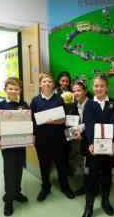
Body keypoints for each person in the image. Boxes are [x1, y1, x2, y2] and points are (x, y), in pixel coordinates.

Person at [30, 72, 75, 202]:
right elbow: (32, 120)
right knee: (44, 164)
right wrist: (33, 135)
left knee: (61, 163)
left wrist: (54, 121)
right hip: (41, 138)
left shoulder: (59, 99)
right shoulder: (35, 100)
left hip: (57, 137)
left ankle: (65, 187)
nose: (47, 84)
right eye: (44, 81)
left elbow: (63, 120)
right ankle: (45, 187)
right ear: (40, 84)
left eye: (49, 81)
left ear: (53, 84)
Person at [82, 76, 114, 217]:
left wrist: (112, 143)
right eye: (96, 86)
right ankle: (89, 205)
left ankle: (105, 201)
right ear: (92, 87)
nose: (99, 88)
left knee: (107, 175)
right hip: (94, 148)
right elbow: (89, 124)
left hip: (109, 147)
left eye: (102, 86)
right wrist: (92, 143)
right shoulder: (89, 104)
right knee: (92, 176)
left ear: (107, 87)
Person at [0, 77, 29, 216]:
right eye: (10, 89)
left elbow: (29, 121)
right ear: (5, 90)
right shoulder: (0, 105)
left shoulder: (24, 104)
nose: (13, 91)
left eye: (16, 89)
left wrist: (31, 136)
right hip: (7, 145)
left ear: (20, 90)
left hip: (21, 143)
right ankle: (8, 200)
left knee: (19, 168)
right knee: (9, 171)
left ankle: (17, 193)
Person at [69, 81, 90, 196]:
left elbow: (90, 123)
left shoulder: (90, 104)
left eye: (79, 90)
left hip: (90, 137)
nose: (76, 93)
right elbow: (71, 121)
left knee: (90, 163)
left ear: (85, 91)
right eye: (74, 91)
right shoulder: (76, 105)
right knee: (86, 161)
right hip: (84, 137)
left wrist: (78, 129)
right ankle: (86, 186)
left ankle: (90, 186)